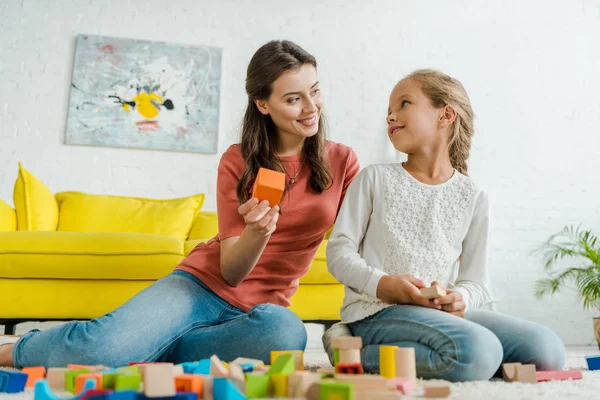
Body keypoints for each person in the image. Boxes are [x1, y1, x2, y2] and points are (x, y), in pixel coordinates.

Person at [0, 40, 359, 368]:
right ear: (263, 104)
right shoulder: (239, 161)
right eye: (294, 98)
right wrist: (257, 231)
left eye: (314, 91)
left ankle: (146, 348)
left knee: (286, 335)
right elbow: (232, 272)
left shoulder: (342, 161)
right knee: (96, 353)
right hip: (199, 287)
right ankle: (17, 348)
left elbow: (360, 238)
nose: (311, 108)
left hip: (263, 310)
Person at [323, 69, 565, 382]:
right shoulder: (374, 179)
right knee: (478, 351)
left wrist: (459, 298)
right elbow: (339, 252)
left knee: (547, 351)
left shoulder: (473, 196)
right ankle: (348, 348)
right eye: (388, 110)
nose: (391, 116)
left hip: (438, 316)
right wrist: (383, 284)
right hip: (375, 312)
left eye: (404, 103)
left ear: (445, 115)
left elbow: (477, 283)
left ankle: (452, 354)